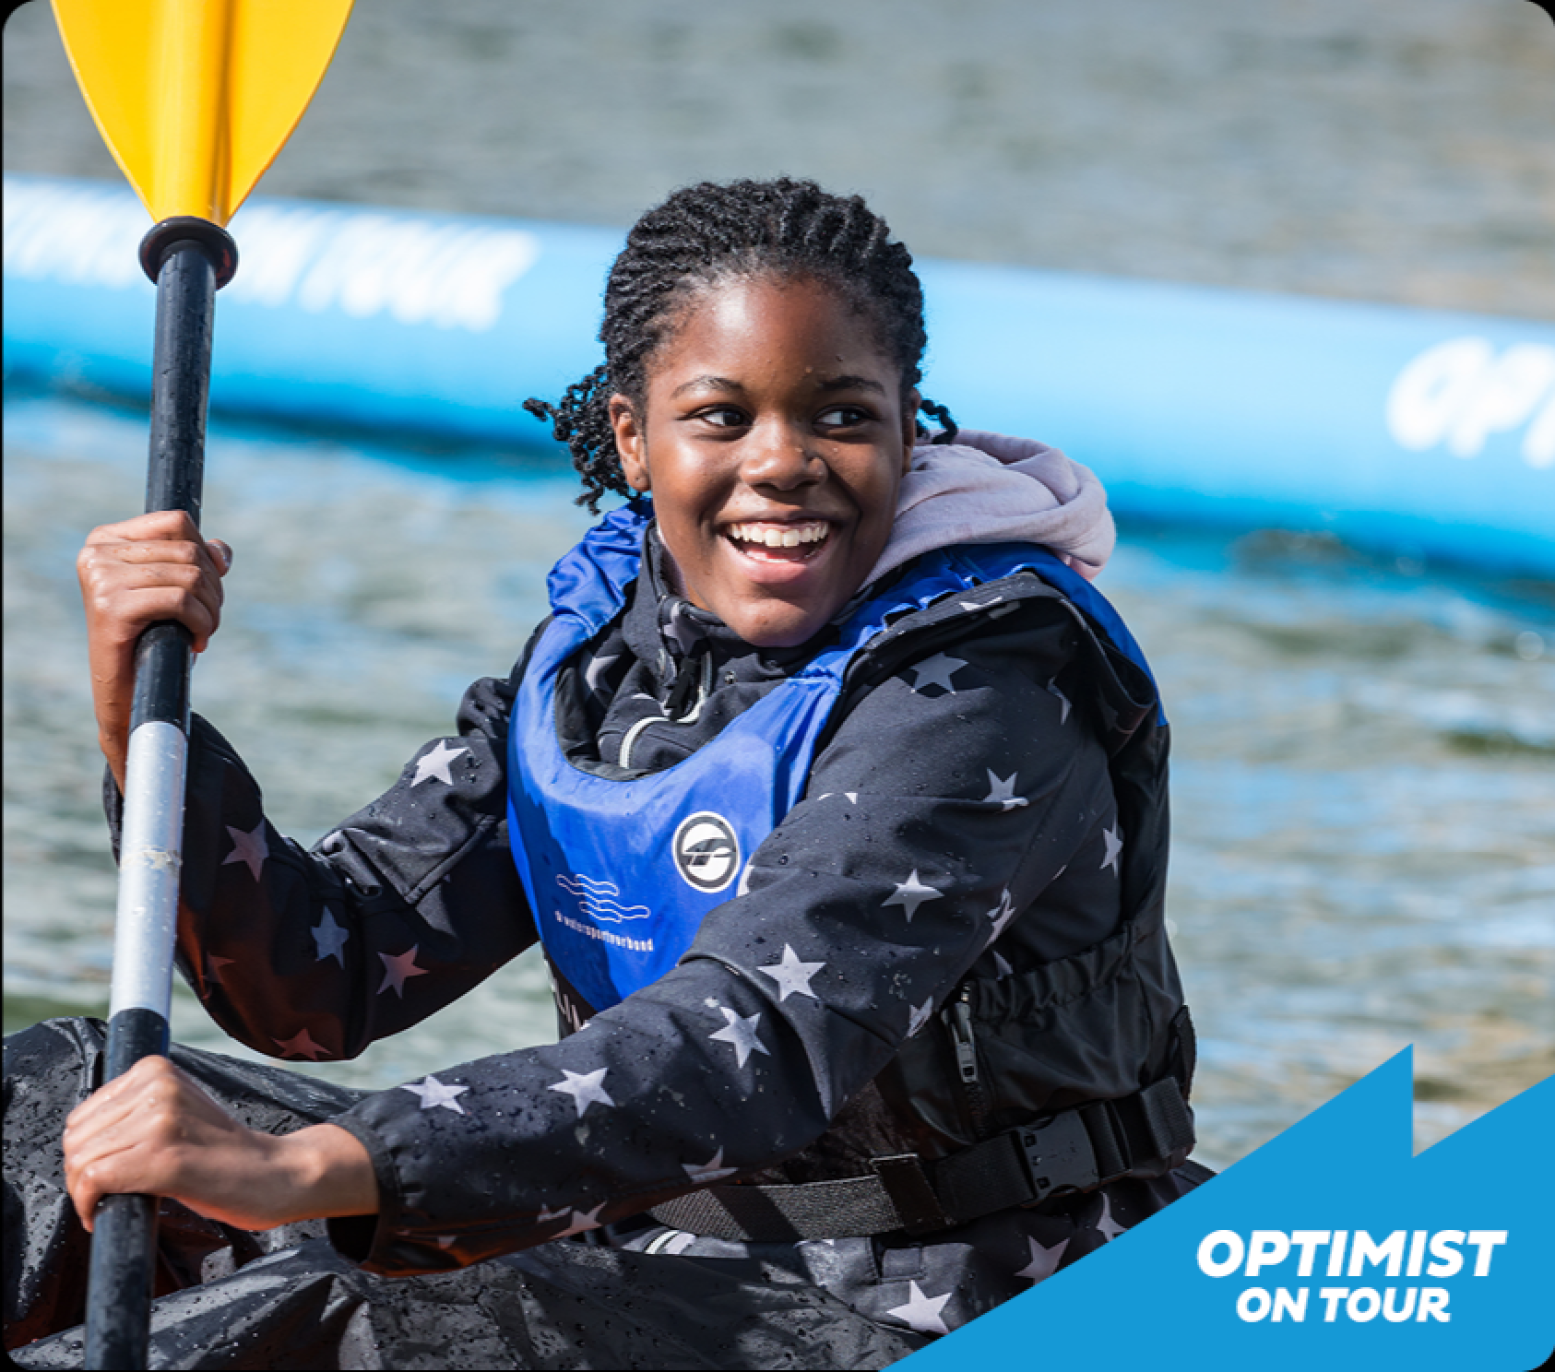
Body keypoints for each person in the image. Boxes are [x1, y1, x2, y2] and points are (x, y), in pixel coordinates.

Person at [5, 178, 1207, 1369]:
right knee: (62, 1086)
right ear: (634, 439)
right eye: (721, 417)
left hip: (947, 1297)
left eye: (842, 415)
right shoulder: (599, 665)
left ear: (907, 427)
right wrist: (136, 708)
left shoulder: (984, 686)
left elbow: (755, 1037)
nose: (783, 463)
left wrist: (310, 1170)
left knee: (350, 1301)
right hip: (651, 1251)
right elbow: (323, 980)